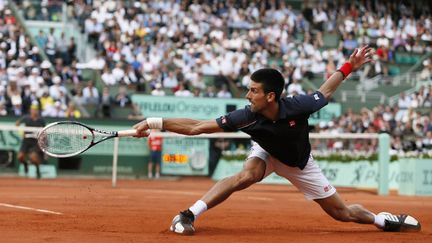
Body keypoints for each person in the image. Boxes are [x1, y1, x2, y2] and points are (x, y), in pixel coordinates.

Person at [133, 46, 420, 234]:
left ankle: (382, 220)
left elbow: (326, 91)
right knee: (247, 175)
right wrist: (155, 123)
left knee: (342, 213)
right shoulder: (246, 116)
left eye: (253, 91)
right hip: (266, 150)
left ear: (271, 96)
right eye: (248, 90)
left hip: (299, 162)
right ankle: (188, 215)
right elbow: (197, 127)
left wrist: (348, 67)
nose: (248, 96)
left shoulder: (299, 106)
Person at [16, 104, 46, 179]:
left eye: (36, 110)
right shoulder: (26, 118)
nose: (34, 111)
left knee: (33, 158)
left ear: (38, 111)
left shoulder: (41, 120)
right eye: (33, 109)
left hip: (35, 142)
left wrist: (43, 143)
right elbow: (17, 124)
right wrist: (21, 131)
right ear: (30, 110)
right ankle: (25, 164)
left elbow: (44, 132)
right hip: (26, 141)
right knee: (20, 157)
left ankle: (37, 170)